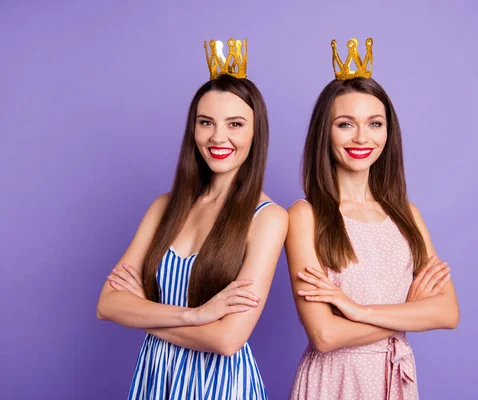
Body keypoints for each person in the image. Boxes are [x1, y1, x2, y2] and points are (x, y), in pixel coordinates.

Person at [96, 38, 287, 400]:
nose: (219, 137)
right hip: (157, 377)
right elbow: (107, 304)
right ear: (193, 129)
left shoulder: (268, 218)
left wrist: (145, 314)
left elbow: (228, 339)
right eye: (206, 122)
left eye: (235, 124)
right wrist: (196, 316)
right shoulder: (164, 207)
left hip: (221, 385)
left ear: (255, 132)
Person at [287, 38, 459, 400]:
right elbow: (325, 335)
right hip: (335, 380)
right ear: (325, 132)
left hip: (392, 378)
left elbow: (447, 312)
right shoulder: (306, 216)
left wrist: (356, 310)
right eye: (346, 124)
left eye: (375, 123)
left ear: (388, 131)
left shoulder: (406, 215)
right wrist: (410, 312)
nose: (362, 137)